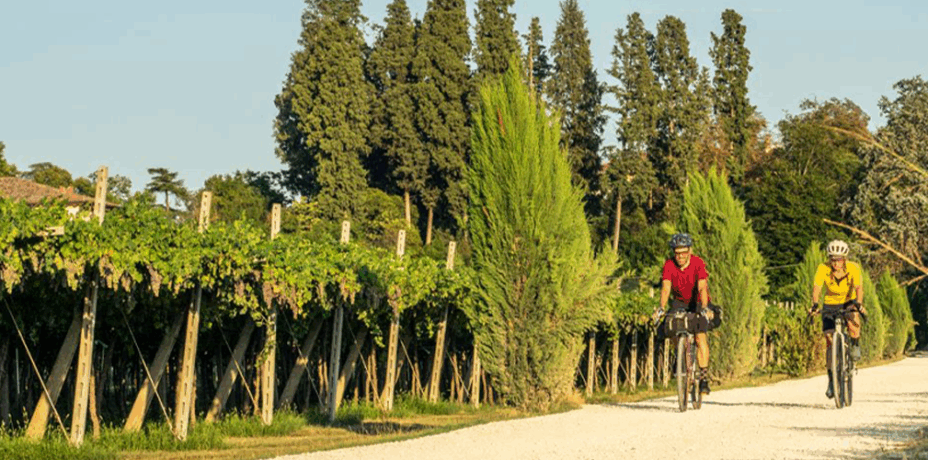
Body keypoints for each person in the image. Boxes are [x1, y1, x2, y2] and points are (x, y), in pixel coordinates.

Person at [654, 233, 716, 394]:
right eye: (677, 253)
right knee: (671, 325)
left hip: (697, 301)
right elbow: (666, 288)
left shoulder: (698, 263)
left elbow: (702, 286)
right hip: (680, 301)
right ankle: (680, 353)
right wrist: (661, 307)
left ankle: (703, 378)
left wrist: (704, 307)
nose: (680, 256)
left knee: (699, 335)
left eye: (683, 252)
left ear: (689, 251)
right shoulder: (669, 265)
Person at [809, 239, 867, 399]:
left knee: (854, 320)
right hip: (830, 304)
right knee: (829, 339)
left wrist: (859, 303)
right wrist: (814, 303)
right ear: (829, 259)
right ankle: (831, 379)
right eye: (833, 259)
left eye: (839, 259)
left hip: (849, 301)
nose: (836, 263)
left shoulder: (853, 268)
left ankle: (855, 345)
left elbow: (858, 288)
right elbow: (817, 287)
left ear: (845, 259)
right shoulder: (823, 268)